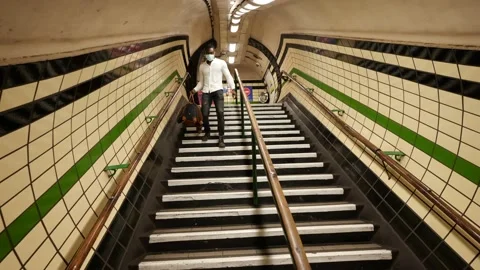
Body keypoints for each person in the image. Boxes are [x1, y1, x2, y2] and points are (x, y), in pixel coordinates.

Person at [191, 43, 235, 148]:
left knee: (220, 113)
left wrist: (232, 88)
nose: (210, 55)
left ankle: (221, 137)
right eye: (208, 53)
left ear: (214, 52)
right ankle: (207, 131)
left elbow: (228, 76)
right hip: (206, 92)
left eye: (211, 53)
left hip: (218, 91)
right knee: (204, 113)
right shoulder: (202, 66)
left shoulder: (221, 63)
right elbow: (201, 82)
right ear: (205, 54)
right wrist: (195, 90)